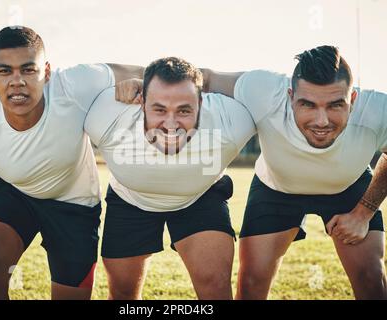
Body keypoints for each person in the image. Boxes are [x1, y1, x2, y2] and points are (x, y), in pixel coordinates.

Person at [116, 46, 387, 300]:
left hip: (348, 185)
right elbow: (205, 78)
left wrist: (364, 212)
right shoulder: (264, 89)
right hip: (277, 189)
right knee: (252, 284)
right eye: (308, 105)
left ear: (352, 98)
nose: (321, 120)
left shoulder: (377, 110)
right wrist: (150, 88)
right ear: (290, 96)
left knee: (371, 278)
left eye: (335, 105)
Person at [0, 26, 143, 300]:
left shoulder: (75, 84)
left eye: (28, 69)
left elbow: (152, 75)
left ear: (47, 72)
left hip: (74, 204)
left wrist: (164, 87)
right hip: (15, 192)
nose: (17, 81)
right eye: (5, 71)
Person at [84, 57, 256, 299]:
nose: (171, 124)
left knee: (215, 284)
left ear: (201, 102)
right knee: (123, 293)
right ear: (142, 102)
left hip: (201, 196)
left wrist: (209, 76)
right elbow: (65, 93)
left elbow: (270, 92)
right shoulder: (107, 114)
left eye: (184, 110)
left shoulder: (230, 119)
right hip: (130, 198)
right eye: (159, 109)